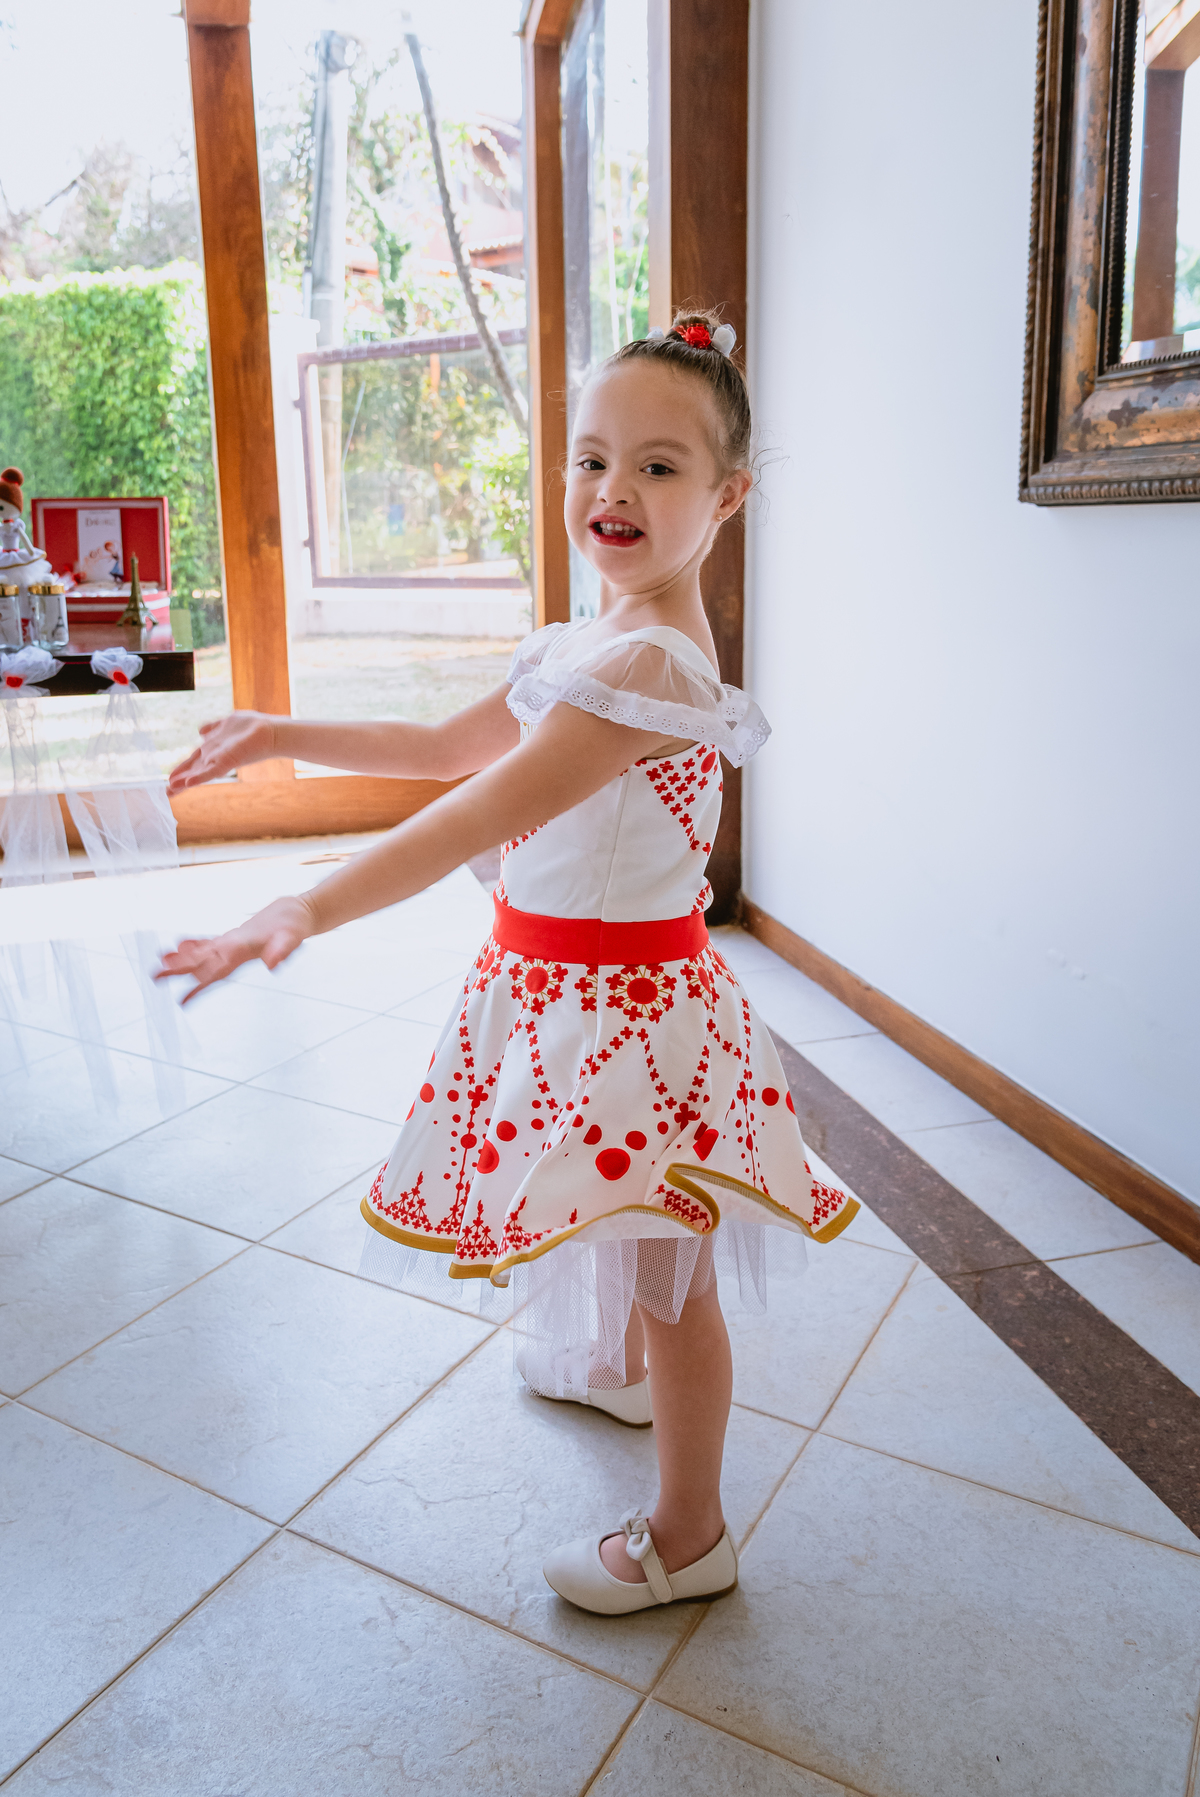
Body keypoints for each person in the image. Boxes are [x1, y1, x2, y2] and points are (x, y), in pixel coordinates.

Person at [158, 309, 858, 1616]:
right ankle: (618, 1375)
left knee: (671, 1272)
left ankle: (691, 1533)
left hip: (629, 1013)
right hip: (566, 996)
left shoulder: (649, 664)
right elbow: (442, 747)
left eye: (658, 465)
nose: (612, 489)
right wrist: (279, 729)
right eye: (591, 458)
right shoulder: (586, 640)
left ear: (728, 495)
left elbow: (466, 815)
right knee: (627, 1230)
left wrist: (304, 903)